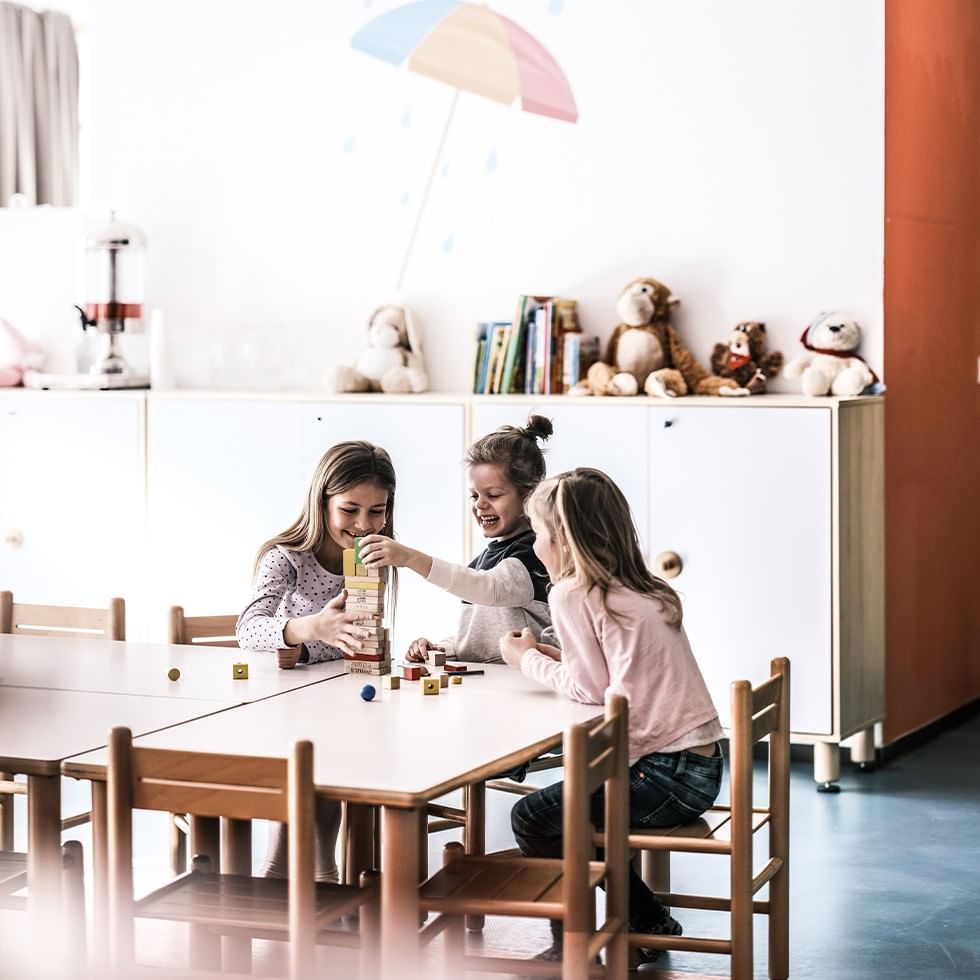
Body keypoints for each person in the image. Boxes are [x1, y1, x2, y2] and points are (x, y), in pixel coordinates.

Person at [498, 467, 724, 964]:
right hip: (701, 767)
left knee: (534, 817)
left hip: (661, 774)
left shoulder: (573, 592)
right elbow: (612, 675)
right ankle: (646, 918)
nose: (535, 546)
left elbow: (588, 688)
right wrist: (558, 658)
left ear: (563, 541)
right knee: (576, 815)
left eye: (538, 534)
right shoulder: (640, 588)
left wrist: (526, 659)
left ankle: (569, 945)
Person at [236, 440, 397, 881]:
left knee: (337, 756)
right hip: (279, 704)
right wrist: (310, 629)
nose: (364, 524)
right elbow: (248, 630)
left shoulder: (373, 556)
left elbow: (358, 639)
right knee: (309, 758)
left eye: (377, 511)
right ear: (321, 502)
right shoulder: (285, 557)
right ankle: (282, 871)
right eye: (349, 510)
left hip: (337, 697)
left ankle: (324, 873)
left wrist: (314, 646)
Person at [358, 415, 554, 665]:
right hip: (489, 685)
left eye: (493, 495)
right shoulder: (481, 563)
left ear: (530, 496)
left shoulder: (533, 553)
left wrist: (409, 557)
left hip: (527, 682)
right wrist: (442, 648)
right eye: (474, 496)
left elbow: (490, 589)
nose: (480, 505)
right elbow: (476, 640)